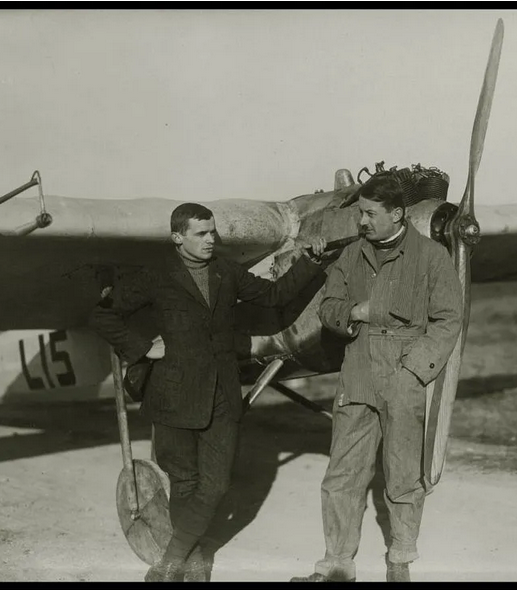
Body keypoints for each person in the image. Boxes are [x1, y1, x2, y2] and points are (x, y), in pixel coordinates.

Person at [89, 202, 326, 582]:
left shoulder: (226, 272)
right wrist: (141, 348)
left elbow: (275, 296)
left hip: (221, 395)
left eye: (212, 232)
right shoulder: (156, 277)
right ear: (177, 238)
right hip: (173, 395)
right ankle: (194, 561)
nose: (210, 240)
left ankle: (168, 564)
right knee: (184, 482)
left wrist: (311, 263)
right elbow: (102, 314)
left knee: (215, 485)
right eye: (201, 234)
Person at [290, 174, 463, 582]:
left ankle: (400, 559)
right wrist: (352, 313)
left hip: (404, 376)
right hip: (358, 374)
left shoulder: (431, 258)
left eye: (369, 214)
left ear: (397, 214)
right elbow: (329, 307)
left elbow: (447, 319)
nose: (361, 222)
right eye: (359, 213)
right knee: (342, 474)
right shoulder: (351, 256)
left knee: (403, 473)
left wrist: (413, 372)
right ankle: (336, 564)